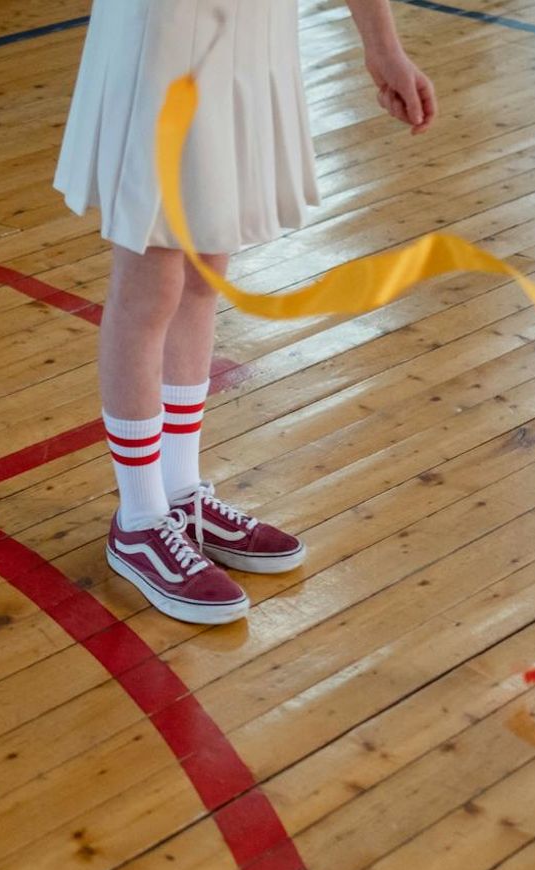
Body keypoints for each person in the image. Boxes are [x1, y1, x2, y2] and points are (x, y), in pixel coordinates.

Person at [55, 0, 436, 624]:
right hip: (168, 27)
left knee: (208, 266)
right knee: (151, 276)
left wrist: (383, 45)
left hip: (255, 29)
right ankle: (140, 518)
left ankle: (179, 492)